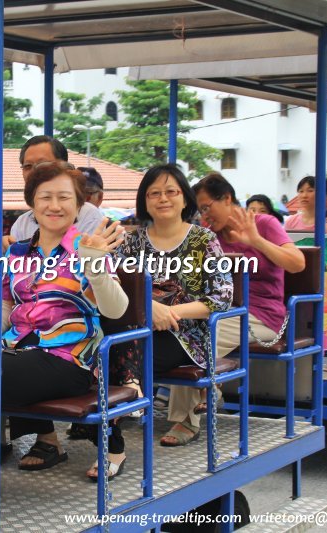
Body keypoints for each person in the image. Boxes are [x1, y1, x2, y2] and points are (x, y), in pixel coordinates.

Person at [0, 162, 128, 477]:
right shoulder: (16, 253)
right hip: (20, 350)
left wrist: (95, 265)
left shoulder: (88, 249)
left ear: (78, 205)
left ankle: (113, 444)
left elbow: (116, 309)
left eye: (64, 198)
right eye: (45, 197)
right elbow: (5, 306)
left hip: (70, 359)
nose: (54, 206)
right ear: (32, 204)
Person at [114, 165, 234, 448]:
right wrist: (149, 308)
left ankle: (112, 435)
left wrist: (170, 312)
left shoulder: (204, 241)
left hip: (187, 333)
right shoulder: (132, 242)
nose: (162, 199)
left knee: (129, 357)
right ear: (145, 200)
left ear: (184, 199)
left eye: (171, 192)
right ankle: (108, 427)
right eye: (154, 193)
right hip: (138, 327)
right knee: (102, 349)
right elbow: (113, 284)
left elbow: (222, 296)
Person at [180, 172, 305, 423]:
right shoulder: (207, 234)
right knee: (178, 329)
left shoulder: (265, 224)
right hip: (221, 310)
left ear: (227, 199)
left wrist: (256, 241)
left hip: (262, 314)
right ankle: (205, 393)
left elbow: (297, 263)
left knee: (194, 339)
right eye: (200, 211)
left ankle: (186, 421)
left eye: (207, 208)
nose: (204, 216)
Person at [7, 136, 104, 244]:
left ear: (64, 166)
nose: (35, 171)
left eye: (43, 164)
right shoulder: (22, 223)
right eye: (28, 166)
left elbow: (86, 256)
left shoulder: (88, 214)